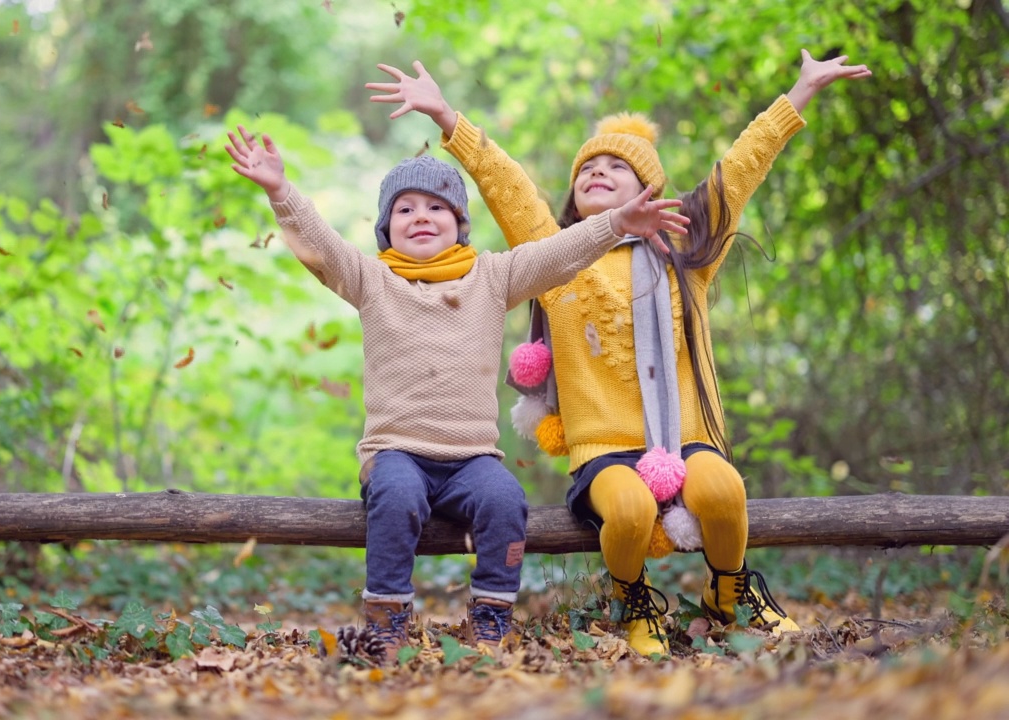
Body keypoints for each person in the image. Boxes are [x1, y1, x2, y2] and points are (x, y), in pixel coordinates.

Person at [368, 50, 871, 656]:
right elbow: (506, 185)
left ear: (650, 188)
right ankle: (636, 601)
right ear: (575, 198)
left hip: (685, 436)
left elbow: (740, 168)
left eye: (616, 166)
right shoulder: (555, 258)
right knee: (629, 509)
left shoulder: (687, 250)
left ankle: (730, 592)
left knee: (724, 493)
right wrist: (449, 118)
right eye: (587, 169)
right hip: (603, 449)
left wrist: (799, 94)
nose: (597, 172)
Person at [224, 125, 688, 661]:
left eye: (436, 208)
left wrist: (613, 225)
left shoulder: (491, 277)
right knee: (396, 496)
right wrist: (281, 192)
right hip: (396, 451)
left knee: (505, 499)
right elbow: (320, 247)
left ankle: (492, 613)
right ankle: (388, 615)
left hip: (471, 458)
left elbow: (557, 254)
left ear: (460, 223)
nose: (421, 217)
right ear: (385, 229)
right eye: (405, 209)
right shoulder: (371, 280)